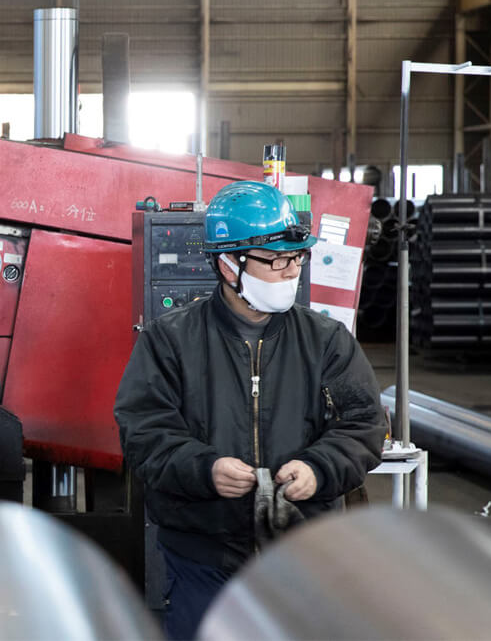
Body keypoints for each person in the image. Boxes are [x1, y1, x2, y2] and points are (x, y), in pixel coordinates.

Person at [114, 180, 385, 640]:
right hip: (204, 557)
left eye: (296, 258)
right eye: (275, 260)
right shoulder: (170, 341)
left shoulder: (326, 342)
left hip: (304, 556)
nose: (290, 271)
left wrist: (318, 468)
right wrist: (205, 469)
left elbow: (364, 425)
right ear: (228, 264)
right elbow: (143, 431)